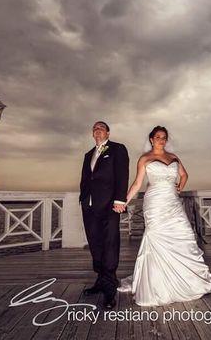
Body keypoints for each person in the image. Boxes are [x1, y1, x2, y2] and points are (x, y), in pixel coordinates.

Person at [118, 126, 211, 306]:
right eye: (157, 137)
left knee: (185, 234)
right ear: (151, 139)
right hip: (154, 202)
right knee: (157, 238)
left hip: (172, 201)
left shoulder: (174, 158)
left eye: (164, 137)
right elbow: (137, 183)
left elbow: (184, 175)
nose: (161, 140)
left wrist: (179, 186)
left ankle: (189, 281)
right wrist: (123, 201)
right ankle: (158, 285)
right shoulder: (145, 159)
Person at [79, 121, 129, 309]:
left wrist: (119, 200)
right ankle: (101, 280)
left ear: (108, 132)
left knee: (109, 244)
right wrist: (83, 199)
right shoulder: (87, 155)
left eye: (100, 127)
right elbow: (86, 179)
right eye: (94, 128)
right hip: (89, 206)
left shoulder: (117, 149)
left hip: (109, 206)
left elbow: (122, 175)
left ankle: (109, 290)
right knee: (95, 243)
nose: (97, 130)